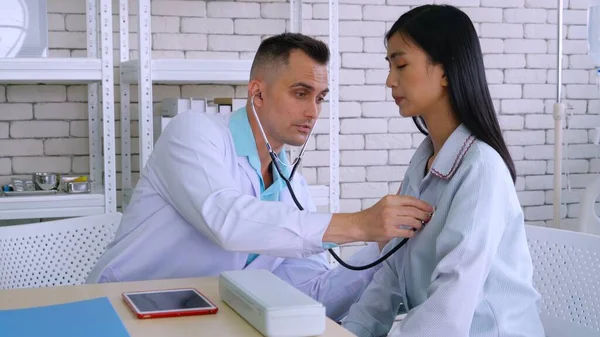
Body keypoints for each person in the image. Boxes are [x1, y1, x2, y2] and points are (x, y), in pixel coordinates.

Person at [85, 33, 433, 322]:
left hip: (199, 320)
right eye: (300, 93)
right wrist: (360, 224)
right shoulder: (193, 133)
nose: (313, 111)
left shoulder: (290, 185)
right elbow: (227, 220)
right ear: (258, 93)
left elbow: (312, 294)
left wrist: (381, 249)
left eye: (320, 98)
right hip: (119, 310)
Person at [340, 5, 545, 337]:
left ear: (447, 70)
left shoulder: (482, 169)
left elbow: (449, 308)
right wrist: (350, 332)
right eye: (389, 66)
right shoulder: (423, 163)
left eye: (401, 64)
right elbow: (392, 271)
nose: (390, 80)